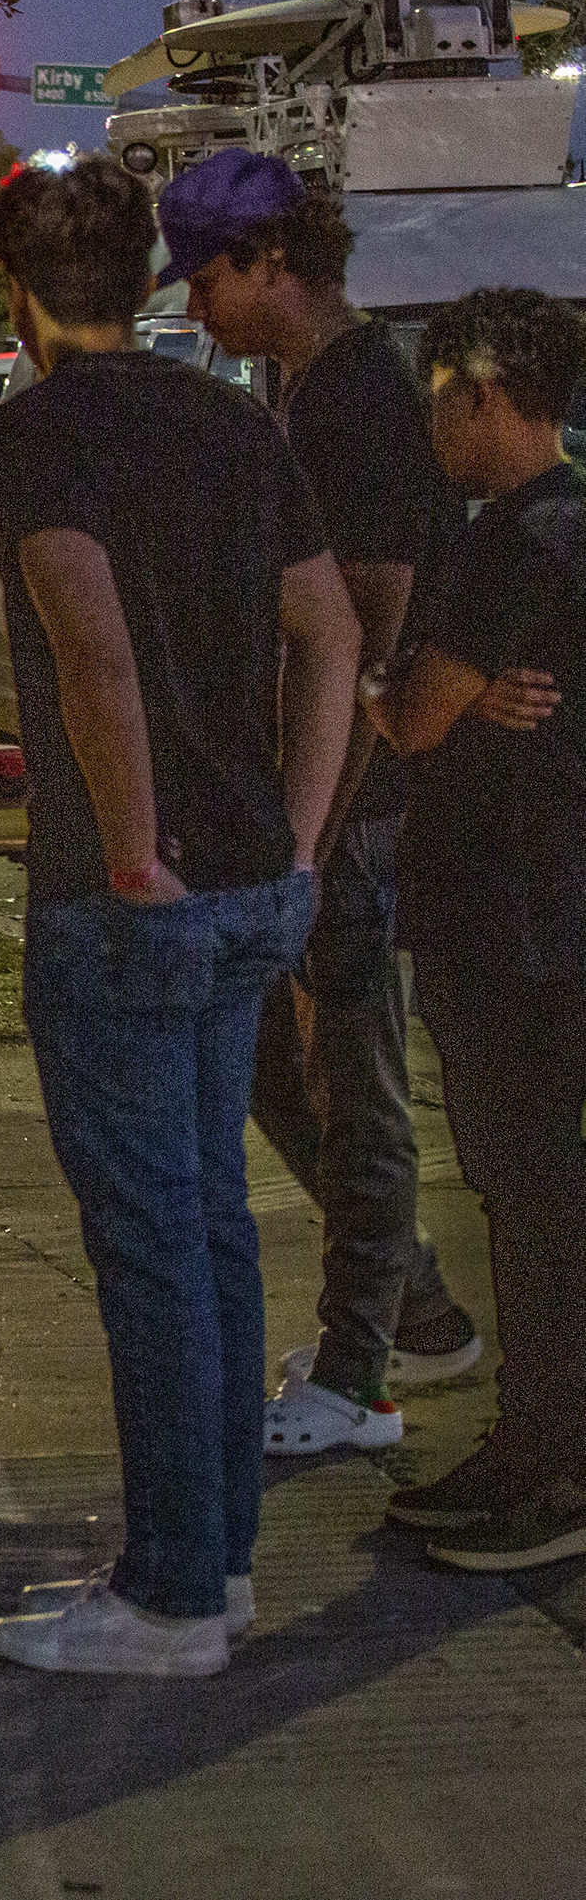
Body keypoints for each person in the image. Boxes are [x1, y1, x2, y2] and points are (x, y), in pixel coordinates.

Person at [0, 159, 360, 1677]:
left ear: (8, 276)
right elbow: (323, 632)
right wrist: (302, 832)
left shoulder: (31, 436)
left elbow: (92, 651)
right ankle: (219, 1563)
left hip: (126, 894)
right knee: (209, 1225)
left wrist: (130, 845)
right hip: (254, 876)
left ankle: (169, 1593)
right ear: (143, 272)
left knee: (148, 1245)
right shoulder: (224, 417)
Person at [157, 148, 482, 1455]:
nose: (193, 309)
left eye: (204, 277)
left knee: (346, 1075)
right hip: (302, 797)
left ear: (270, 260)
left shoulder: (356, 398)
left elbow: (369, 621)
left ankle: (359, 1371)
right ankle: (407, 1310)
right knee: (278, 1066)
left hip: (350, 795)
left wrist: (316, 824)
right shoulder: (294, 384)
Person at [361, 288, 586, 1571]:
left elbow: (409, 714)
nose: (430, 423)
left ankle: (549, 1463)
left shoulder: (511, 541)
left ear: (482, 393)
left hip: (513, 917)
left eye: (437, 394)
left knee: (529, 1197)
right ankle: (531, 1444)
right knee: (537, 1194)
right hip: (541, 907)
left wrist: (424, 693)